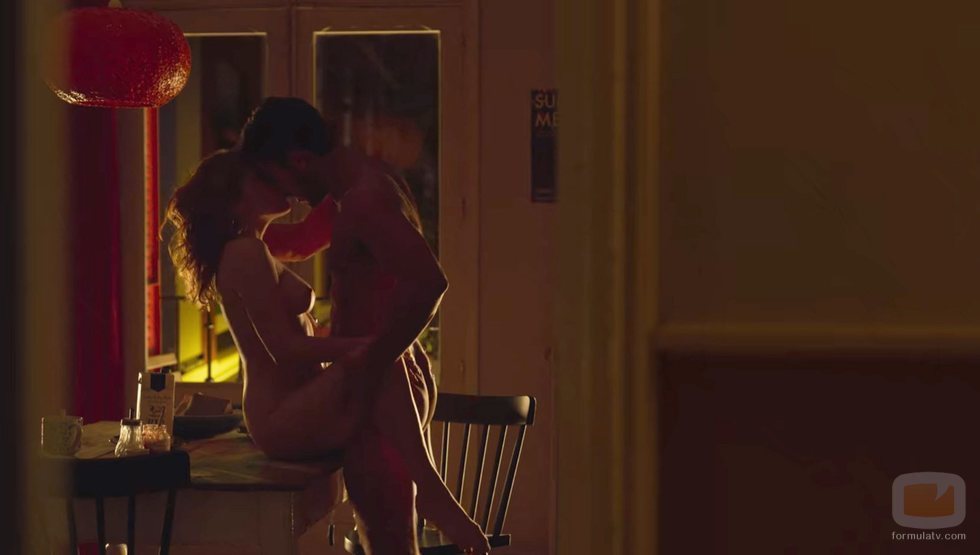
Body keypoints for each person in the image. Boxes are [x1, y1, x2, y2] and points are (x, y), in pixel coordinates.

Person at [165, 98, 488, 555]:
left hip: (340, 392)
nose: (286, 194)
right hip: (302, 407)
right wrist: (366, 350)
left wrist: (367, 350)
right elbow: (285, 331)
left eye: (267, 174)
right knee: (391, 532)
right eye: (259, 179)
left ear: (299, 161)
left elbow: (418, 283)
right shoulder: (258, 246)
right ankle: (434, 491)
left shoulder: (355, 201)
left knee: (393, 533)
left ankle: (432, 491)